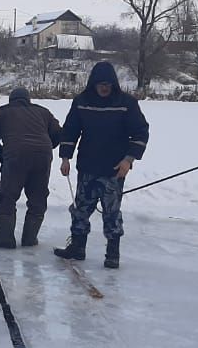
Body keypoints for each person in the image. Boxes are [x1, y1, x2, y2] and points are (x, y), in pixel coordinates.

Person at [53, 61, 150, 268]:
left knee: (111, 212)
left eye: (108, 84)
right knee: (80, 209)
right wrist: (65, 158)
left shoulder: (127, 103)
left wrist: (128, 160)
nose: (104, 88)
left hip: (115, 169)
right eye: (100, 84)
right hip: (87, 166)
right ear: (93, 84)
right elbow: (70, 131)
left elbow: (140, 133)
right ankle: (77, 247)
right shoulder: (81, 102)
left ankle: (112, 253)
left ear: (113, 83)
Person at [0, 87, 61, 248]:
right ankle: (30, 238)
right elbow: (59, 134)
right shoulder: (43, 112)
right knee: (38, 196)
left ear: (11, 99)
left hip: (16, 155)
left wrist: (2, 155)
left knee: (8, 196)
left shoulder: (3, 112)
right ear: (28, 99)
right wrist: (44, 148)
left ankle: (6, 238)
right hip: (42, 156)